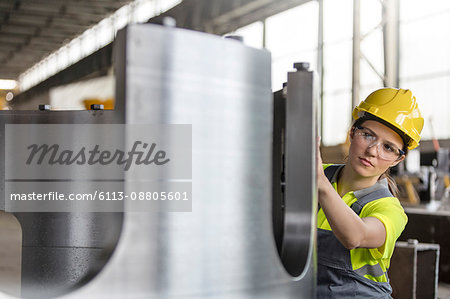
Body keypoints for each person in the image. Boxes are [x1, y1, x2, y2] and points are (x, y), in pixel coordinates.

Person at [316, 88, 424, 298]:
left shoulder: (389, 209)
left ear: (398, 159)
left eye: (388, 147)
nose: (373, 150)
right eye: (368, 135)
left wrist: (320, 183)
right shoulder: (319, 175)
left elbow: (356, 236)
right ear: (352, 133)